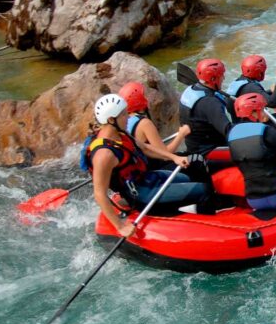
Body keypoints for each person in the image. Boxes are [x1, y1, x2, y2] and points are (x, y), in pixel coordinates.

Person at [82, 95, 214, 237]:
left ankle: (179, 206)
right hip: (141, 194)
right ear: (111, 120)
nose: (128, 117)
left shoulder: (120, 134)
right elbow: (99, 194)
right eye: (124, 114)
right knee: (204, 191)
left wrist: (174, 157)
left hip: (147, 178)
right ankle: (206, 229)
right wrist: (120, 227)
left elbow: (144, 148)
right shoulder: (104, 155)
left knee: (188, 177)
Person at [119, 81, 189, 160]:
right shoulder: (144, 123)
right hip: (152, 167)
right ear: (139, 100)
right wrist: (181, 134)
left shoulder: (124, 120)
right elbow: (166, 155)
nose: (146, 97)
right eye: (144, 95)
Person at [179, 58, 232, 155]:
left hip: (193, 145)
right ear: (213, 79)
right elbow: (229, 131)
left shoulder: (192, 89)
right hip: (208, 152)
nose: (223, 78)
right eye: (221, 75)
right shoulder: (210, 102)